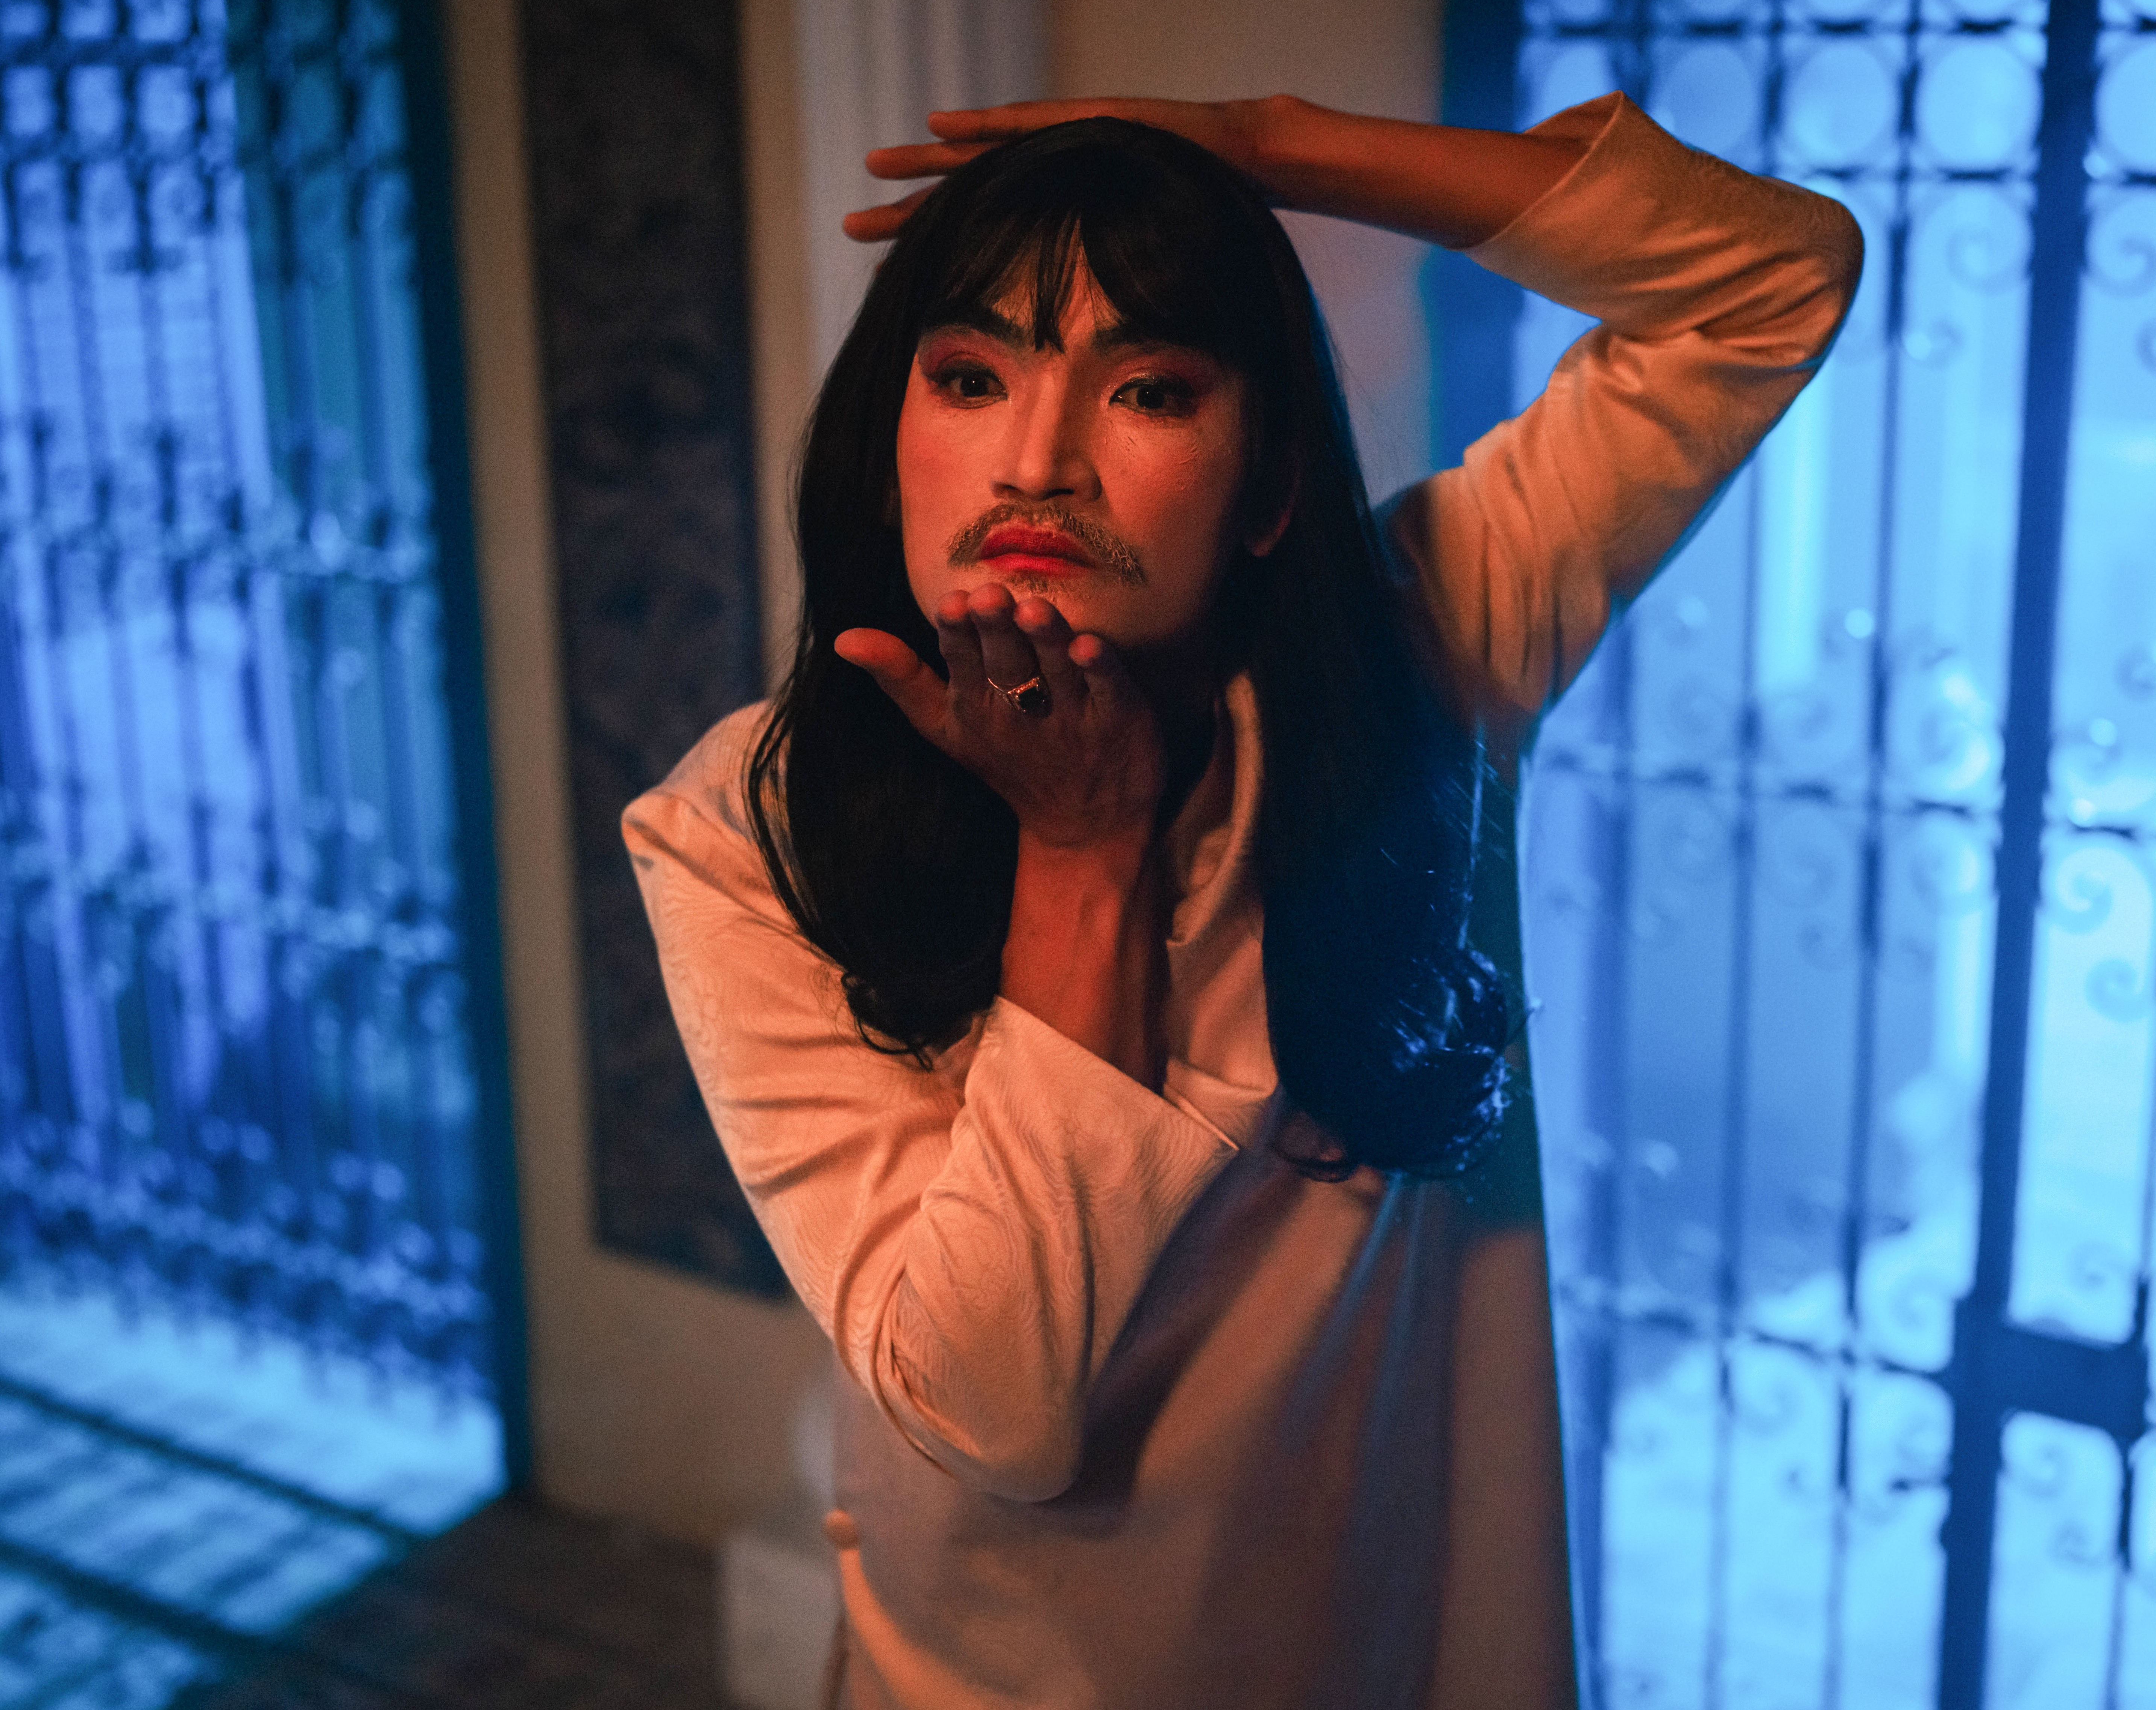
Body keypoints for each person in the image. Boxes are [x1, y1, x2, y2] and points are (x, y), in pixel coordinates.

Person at [624, 88, 1861, 1710]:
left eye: (1148, 388)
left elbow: (1771, 283)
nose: (1036, 463)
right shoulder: (749, 823)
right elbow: (994, 1413)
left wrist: (1256, 150)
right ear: (889, 444)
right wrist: (1083, 856)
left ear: (1271, 484)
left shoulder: (1427, 651)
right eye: (971, 378)